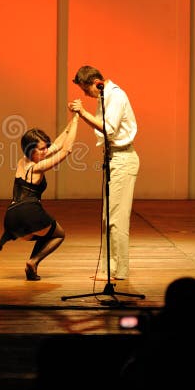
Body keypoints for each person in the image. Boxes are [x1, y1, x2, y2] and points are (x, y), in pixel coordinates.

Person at [69, 65, 139, 280]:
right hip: (113, 159)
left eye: (84, 89)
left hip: (123, 158)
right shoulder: (104, 97)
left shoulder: (115, 96)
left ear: (95, 83)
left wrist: (82, 112)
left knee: (117, 219)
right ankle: (110, 268)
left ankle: (120, 270)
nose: (85, 94)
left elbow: (108, 129)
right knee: (108, 217)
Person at [0, 113, 79, 281]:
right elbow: (66, 149)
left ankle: (32, 266)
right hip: (30, 213)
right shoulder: (38, 168)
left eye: (44, 147)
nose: (45, 151)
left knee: (46, 234)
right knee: (58, 234)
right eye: (41, 149)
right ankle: (33, 261)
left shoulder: (22, 161)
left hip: (11, 217)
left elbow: (56, 145)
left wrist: (74, 117)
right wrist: (78, 121)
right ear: (30, 150)